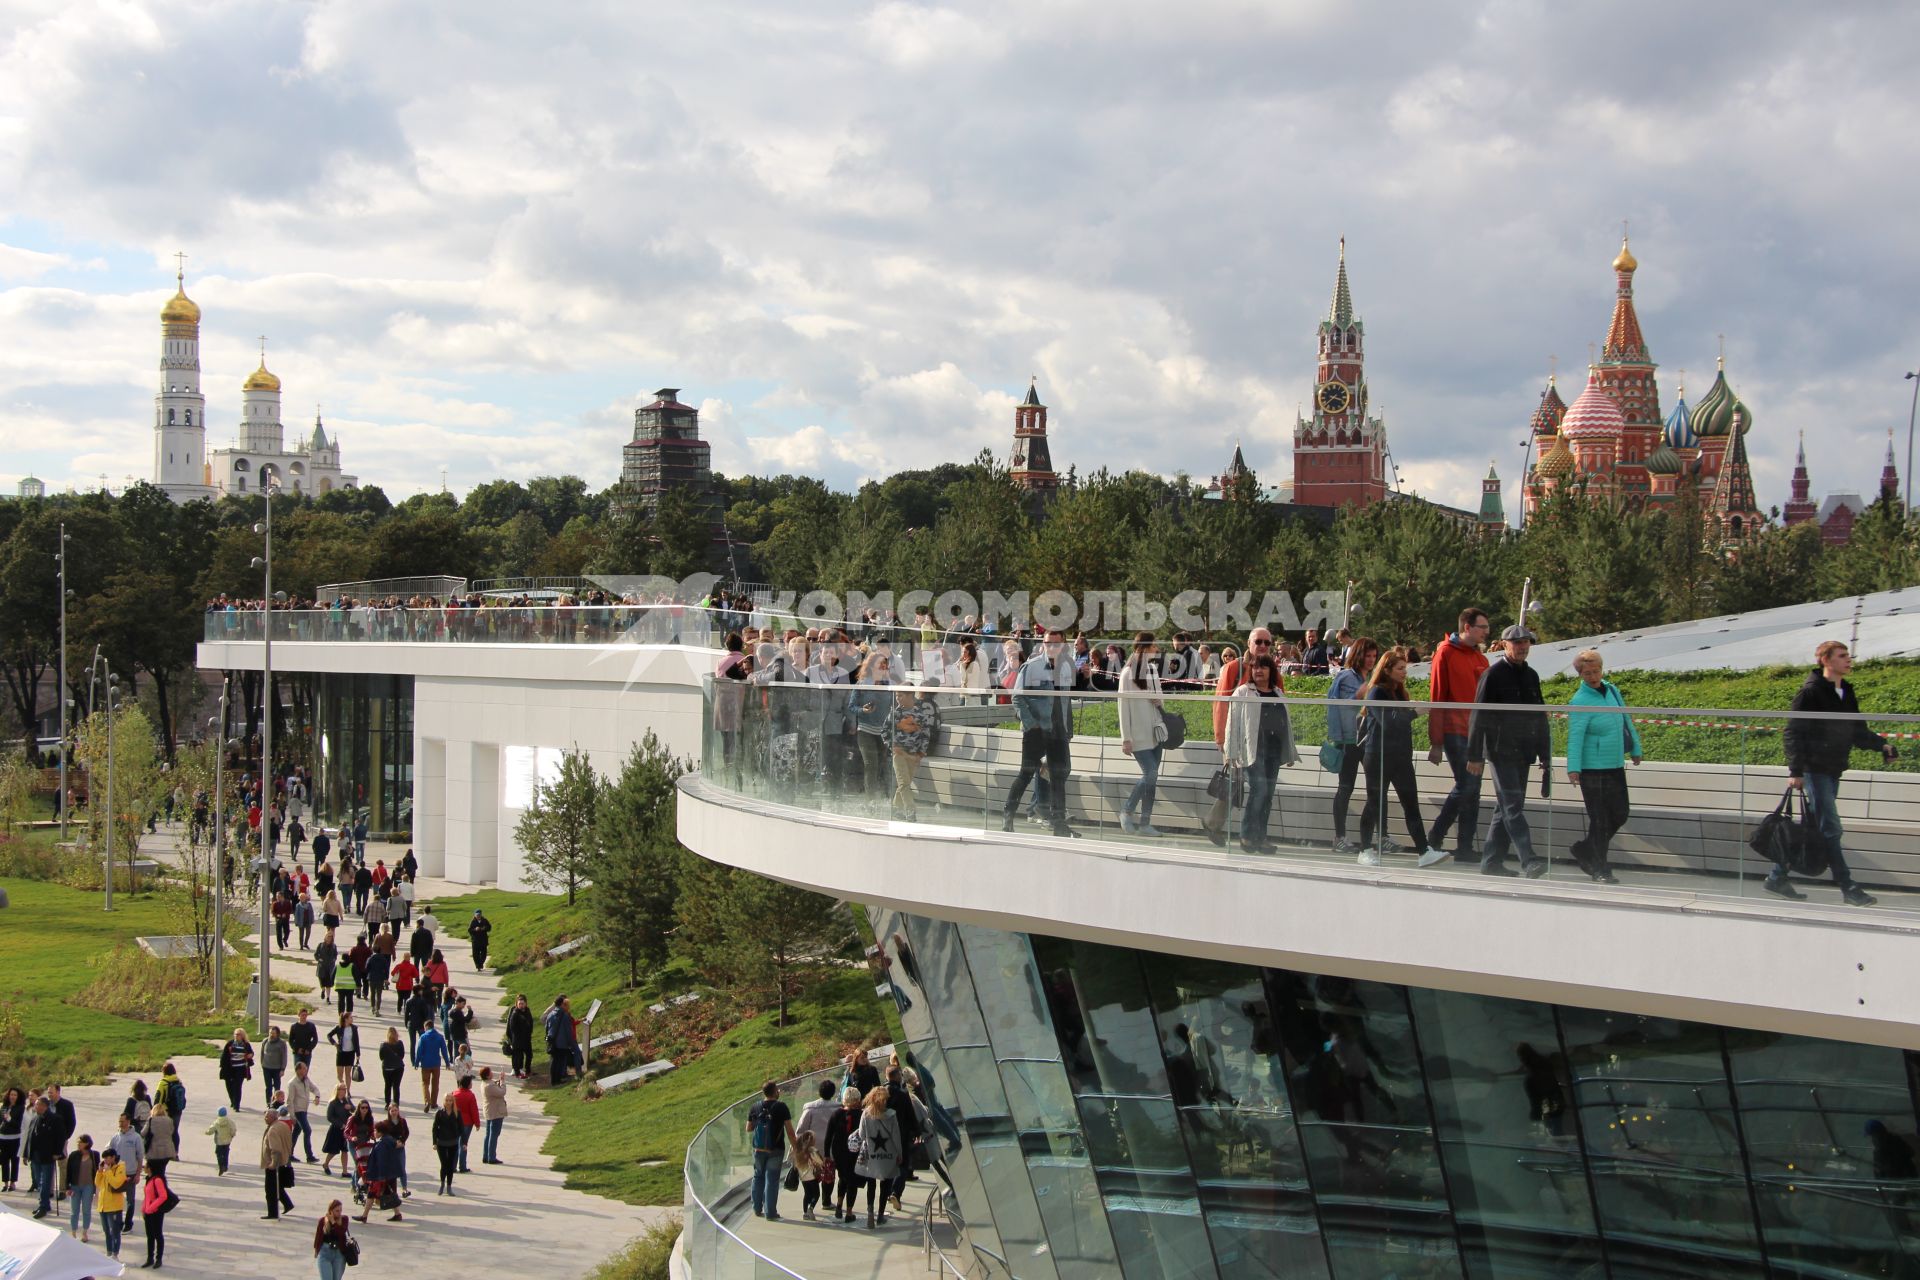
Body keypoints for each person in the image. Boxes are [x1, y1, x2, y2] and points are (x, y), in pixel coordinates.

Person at [1775, 640, 1898, 906]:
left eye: (1848, 656)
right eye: (1842, 656)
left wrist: (1882, 745)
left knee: (1818, 827)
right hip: (1814, 770)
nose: (1849, 660)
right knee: (1830, 828)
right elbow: (1793, 733)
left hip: (1833, 769)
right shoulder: (1810, 693)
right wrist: (1795, 770)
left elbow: (1857, 731)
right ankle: (1848, 886)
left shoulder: (1846, 692)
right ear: (1825, 660)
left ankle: (1777, 876)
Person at [1466, 624, 1554, 878]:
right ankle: (1529, 860)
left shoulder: (1531, 675)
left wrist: (1545, 754)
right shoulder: (1492, 675)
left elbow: (1539, 716)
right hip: (1500, 750)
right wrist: (1475, 754)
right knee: (1513, 806)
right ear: (1505, 645)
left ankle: (1491, 862)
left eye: (1526, 642)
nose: (1523, 646)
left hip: (1523, 750)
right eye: (1517, 643)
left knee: (1506, 807)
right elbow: (1478, 715)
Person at [1563, 649, 1643, 885]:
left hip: (1614, 764)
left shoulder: (1612, 690)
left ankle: (1585, 849)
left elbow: (1625, 720)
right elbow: (1575, 737)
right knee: (1600, 820)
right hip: (1592, 768)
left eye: (1596, 671)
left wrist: (1635, 748)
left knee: (1620, 813)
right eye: (1587, 673)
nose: (1593, 676)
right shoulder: (1580, 701)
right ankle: (1600, 867)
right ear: (1580, 674)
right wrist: (1573, 767)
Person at [1354, 647, 1434, 866]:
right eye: (1400, 668)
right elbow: (1389, 723)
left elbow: (1399, 723)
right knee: (1374, 802)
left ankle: (1424, 850)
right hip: (1378, 756)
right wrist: (1414, 713)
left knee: (1411, 803)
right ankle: (1365, 849)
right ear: (1387, 670)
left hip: (1400, 757)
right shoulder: (1377, 692)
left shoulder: (1399, 692)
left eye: (1404, 668)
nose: (1404, 672)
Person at [1425, 608, 1492, 864]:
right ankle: (1436, 836)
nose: (1486, 631)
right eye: (1482, 627)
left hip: (1476, 733)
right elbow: (1438, 696)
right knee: (1467, 785)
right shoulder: (1445, 653)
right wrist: (1436, 741)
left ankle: (1464, 845)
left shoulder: (1480, 658)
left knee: (1471, 790)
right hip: (1455, 731)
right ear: (1467, 626)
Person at [1001, 629, 1080, 838]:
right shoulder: (1032, 666)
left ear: (1063, 644)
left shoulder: (1067, 666)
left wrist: (1067, 729)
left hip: (1058, 731)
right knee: (1026, 773)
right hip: (1037, 731)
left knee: (1059, 775)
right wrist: (1031, 723)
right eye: (1047, 643)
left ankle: (1059, 822)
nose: (1051, 647)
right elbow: (1017, 697)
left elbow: (1066, 700)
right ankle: (1008, 814)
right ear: (1043, 644)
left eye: (1056, 643)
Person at [1207, 628, 1277, 844]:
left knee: (1257, 788)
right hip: (1237, 739)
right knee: (1234, 785)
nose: (1263, 645)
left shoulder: (1273, 670)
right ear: (1249, 643)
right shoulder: (1234, 668)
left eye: (1267, 642)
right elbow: (1221, 704)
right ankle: (1215, 824)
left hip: (1264, 742)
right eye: (1259, 641)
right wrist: (1222, 739)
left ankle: (1251, 834)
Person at [1224, 652, 1298, 853]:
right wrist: (1230, 752)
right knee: (1259, 791)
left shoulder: (1277, 693)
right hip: (1252, 751)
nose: (1258, 670)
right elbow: (1232, 723)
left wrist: (1289, 752)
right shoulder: (1243, 692)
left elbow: (1287, 725)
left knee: (1267, 796)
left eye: (1263, 667)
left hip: (1273, 751)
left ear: (1271, 670)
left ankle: (1261, 837)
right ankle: (1247, 836)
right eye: (1255, 667)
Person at [1326, 637, 1379, 854]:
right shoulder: (1348, 676)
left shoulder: (1368, 676)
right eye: (1367, 656)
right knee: (1345, 788)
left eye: (1374, 656)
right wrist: (1365, 690)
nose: (1371, 660)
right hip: (1350, 739)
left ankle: (1375, 836)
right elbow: (1345, 704)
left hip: (1365, 739)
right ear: (1358, 655)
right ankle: (1340, 836)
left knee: (1375, 788)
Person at [1118, 631, 1168, 836]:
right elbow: (1123, 706)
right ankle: (1127, 811)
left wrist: (1158, 701)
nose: (1156, 649)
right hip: (1138, 736)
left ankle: (1145, 823)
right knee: (1150, 773)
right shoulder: (1127, 673)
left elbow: (1161, 700)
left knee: (1152, 779)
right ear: (1145, 648)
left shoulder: (1153, 670)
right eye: (1153, 645)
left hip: (1155, 733)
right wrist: (1126, 739)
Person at [746, 1080, 798, 1220]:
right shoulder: (781, 1107)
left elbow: (748, 1128)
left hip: (758, 1149)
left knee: (758, 1176)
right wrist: (796, 1148)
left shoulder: (755, 1106)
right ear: (775, 1091)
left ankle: (756, 1208)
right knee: (772, 1179)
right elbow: (790, 1131)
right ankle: (770, 1212)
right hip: (776, 1149)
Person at [853, 1085, 903, 1229]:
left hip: (871, 1153)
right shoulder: (892, 1115)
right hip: (889, 1153)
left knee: (871, 1184)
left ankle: (870, 1213)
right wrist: (899, 1154)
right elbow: (896, 1137)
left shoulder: (866, 1114)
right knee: (886, 1184)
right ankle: (880, 1215)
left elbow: (861, 1135)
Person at [887, 687, 940, 821]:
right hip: (899, 754)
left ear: (910, 695)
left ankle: (895, 808)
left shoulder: (919, 714)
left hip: (913, 755)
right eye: (897, 696)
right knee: (904, 783)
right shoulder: (895, 713)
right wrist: (892, 747)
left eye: (901, 696)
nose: (898, 698)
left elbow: (925, 734)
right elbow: (884, 731)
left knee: (905, 783)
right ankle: (911, 811)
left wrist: (920, 753)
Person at [796, 1079, 838, 1219]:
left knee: (810, 1179)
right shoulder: (837, 1108)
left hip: (811, 1150)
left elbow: (800, 1130)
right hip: (829, 1151)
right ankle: (826, 1200)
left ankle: (808, 1205)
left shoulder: (810, 1109)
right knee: (829, 1176)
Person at [64, 1133, 100, 1241]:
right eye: (78, 1142)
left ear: (87, 1143)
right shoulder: (74, 1155)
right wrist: (67, 1187)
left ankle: (85, 1232)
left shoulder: (94, 1155)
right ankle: (73, 1232)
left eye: (81, 1142)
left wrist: (97, 1187)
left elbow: (98, 1171)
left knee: (86, 1210)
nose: (78, 1144)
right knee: (74, 1210)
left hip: (88, 1186)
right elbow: (68, 1171)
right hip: (75, 1185)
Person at [261, 1109, 295, 1220]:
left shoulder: (273, 1130)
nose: (265, 1119)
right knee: (278, 1187)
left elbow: (275, 1149)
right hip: (284, 1160)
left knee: (270, 1190)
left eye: (267, 1117)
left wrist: (273, 1163)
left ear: (273, 1117)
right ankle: (287, 1204)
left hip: (274, 1164)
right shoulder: (283, 1125)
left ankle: (272, 1213)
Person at [96, 1148, 129, 1260]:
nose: (105, 1160)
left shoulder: (120, 1167)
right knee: (106, 1231)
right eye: (104, 1158)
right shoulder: (105, 1169)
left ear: (113, 1157)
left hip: (114, 1206)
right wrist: (100, 1171)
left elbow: (116, 1183)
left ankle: (115, 1253)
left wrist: (108, 1171)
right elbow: (97, 1183)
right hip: (103, 1205)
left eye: (107, 1158)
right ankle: (109, 1252)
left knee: (114, 1231)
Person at [140, 1163, 175, 1269]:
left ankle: (158, 1258)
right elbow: (147, 1196)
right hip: (148, 1212)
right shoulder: (148, 1179)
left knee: (157, 1235)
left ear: (150, 1168)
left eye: (146, 1166)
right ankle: (150, 1258)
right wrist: (144, 1209)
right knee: (150, 1235)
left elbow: (163, 1196)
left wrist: (151, 1207)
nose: (144, 1167)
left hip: (156, 1212)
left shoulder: (157, 1180)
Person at [287, 1062, 319, 1163]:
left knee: (296, 1132)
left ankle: (289, 1153)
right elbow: (290, 1101)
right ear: (298, 1070)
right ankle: (309, 1156)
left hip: (304, 1110)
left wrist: (317, 1096)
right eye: (304, 1068)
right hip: (298, 1111)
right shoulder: (292, 1083)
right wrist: (292, 1116)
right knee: (307, 1130)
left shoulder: (306, 1080)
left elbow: (314, 1088)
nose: (306, 1070)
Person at [314, 1199, 353, 1280]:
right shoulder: (322, 1221)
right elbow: (318, 1237)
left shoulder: (344, 1219)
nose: (339, 1213)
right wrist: (316, 1250)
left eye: (340, 1210)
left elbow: (341, 1232)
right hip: (325, 1252)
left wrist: (333, 1221)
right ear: (331, 1211)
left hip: (339, 1254)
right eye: (337, 1211)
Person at [414, 1018, 448, 1112]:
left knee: (425, 1083)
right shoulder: (440, 1037)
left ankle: (427, 1101)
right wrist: (447, 1063)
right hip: (436, 1063)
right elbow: (444, 1051)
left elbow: (419, 1051)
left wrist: (417, 1062)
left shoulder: (423, 1037)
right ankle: (433, 1103)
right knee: (435, 1083)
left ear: (426, 1027)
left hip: (425, 1063)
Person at [545, 995, 579, 1086]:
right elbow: (568, 1031)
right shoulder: (564, 1015)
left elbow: (546, 1027)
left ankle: (553, 1080)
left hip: (552, 1041)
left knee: (553, 1061)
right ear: (561, 1004)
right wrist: (571, 1043)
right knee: (560, 1062)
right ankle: (558, 1079)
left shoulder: (550, 1014)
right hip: (562, 1042)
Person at [431, 1096, 462, 1195]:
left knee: (451, 1166)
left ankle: (449, 1186)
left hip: (453, 1142)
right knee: (444, 1165)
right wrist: (434, 1143)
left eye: (450, 1101)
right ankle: (442, 1184)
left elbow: (461, 1127)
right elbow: (435, 1128)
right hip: (442, 1142)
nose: (448, 1103)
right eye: (447, 1101)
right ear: (444, 1101)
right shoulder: (440, 1113)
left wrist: (463, 1142)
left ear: (453, 1102)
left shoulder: (457, 1113)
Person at [449, 1076, 480, 1173]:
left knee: (454, 1144)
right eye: (471, 1082)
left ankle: (452, 1166)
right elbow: (474, 1111)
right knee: (463, 1144)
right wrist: (477, 1123)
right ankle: (462, 1166)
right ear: (468, 1084)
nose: (472, 1084)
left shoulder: (454, 1094)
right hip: (467, 1123)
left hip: (455, 1122)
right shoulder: (470, 1095)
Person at [142, 1100, 177, 1184]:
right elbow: (172, 1132)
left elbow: (143, 1133)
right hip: (167, 1150)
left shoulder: (151, 1120)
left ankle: (154, 1189)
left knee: (153, 1173)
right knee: (161, 1171)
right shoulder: (169, 1120)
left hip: (153, 1151)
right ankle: (163, 1188)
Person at [320, 1086, 351, 1178]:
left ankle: (344, 1171)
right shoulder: (333, 1102)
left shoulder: (346, 1100)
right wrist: (340, 1124)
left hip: (346, 1129)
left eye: (344, 1090)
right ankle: (326, 1164)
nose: (343, 1092)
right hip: (336, 1129)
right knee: (333, 1150)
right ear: (337, 1091)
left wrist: (350, 1107)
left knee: (345, 1150)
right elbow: (330, 1117)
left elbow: (354, 1110)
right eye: (341, 1090)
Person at [480, 1067, 509, 1165]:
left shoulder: (485, 1083)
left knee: (488, 1134)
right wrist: (503, 1081)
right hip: (495, 1112)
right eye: (490, 1072)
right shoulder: (489, 1086)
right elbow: (502, 1092)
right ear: (488, 1075)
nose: (492, 1073)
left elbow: (494, 1086)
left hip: (490, 1111)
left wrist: (499, 1080)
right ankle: (491, 1157)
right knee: (494, 1134)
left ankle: (486, 1155)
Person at [505, 995, 536, 1080]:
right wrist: (517, 1037)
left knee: (529, 1054)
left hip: (527, 1038)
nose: (521, 1005)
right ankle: (517, 1072)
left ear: (526, 1003)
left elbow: (530, 1022)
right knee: (517, 1056)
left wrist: (529, 1033)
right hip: (518, 1039)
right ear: (517, 1004)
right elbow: (512, 1027)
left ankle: (528, 1070)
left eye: (523, 1003)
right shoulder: (515, 1013)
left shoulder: (527, 1011)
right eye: (520, 1004)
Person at [327, 1013, 361, 1089]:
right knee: (339, 1075)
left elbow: (356, 1041)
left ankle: (348, 1091)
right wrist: (335, 1043)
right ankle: (343, 1086)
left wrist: (358, 1054)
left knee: (348, 1074)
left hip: (350, 1053)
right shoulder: (339, 1028)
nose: (352, 1019)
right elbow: (329, 1035)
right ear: (346, 1019)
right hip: (341, 1053)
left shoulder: (354, 1028)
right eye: (350, 1017)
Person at [0, 1085, 22, 1191]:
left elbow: (19, 1124)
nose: (12, 1097)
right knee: (4, 1161)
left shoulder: (20, 1108)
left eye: (15, 1095)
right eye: (11, 1094)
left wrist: (9, 1119)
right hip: (3, 1137)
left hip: (15, 1138)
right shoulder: (4, 1107)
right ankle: (5, 1183)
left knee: (14, 1161)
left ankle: (13, 1183)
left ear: (18, 1096)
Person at [378, 1029, 407, 1110]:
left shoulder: (383, 1045)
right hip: (398, 1068)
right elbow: (402, 1056)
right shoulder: (400, 1044)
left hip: (387, 1068)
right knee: (396, 1086)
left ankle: (387, 1104)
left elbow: (381, 1057)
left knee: (387, 1086)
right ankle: (396, 1104)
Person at [260, 1025, 289, 1107]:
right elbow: (262, 1054)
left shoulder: (282, 1043)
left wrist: (283, 1069)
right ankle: (269, 1103)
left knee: (277, 1087)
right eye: (270, 1033)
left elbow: (284, 1057)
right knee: (268, 1087)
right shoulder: (265, 1041)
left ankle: (277, 1103)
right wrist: (262, 1064)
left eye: (273, 1033)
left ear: (277, 1034)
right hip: (266, 1068)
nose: (271, 1035)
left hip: (277, 1069)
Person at [206, 1106, 236, 1175]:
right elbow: (233, 1129)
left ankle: (221, 1166)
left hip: (219, 1141)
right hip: (227, 1141)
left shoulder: (216, 1122)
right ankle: (225, 1165)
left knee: (218, 1153)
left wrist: (207, 1132)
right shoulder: (229, 1121)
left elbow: (211, 1130)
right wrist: (232, 1135)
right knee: (226, 1153)